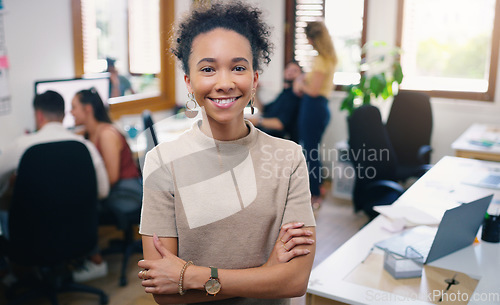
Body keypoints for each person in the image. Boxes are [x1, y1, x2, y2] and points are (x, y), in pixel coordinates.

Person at [137, 1, 316, 304]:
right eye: (208, 69)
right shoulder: (162, 162)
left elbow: (295, 281)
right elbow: (165, 296)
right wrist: (268, 272)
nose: (224, 82)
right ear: (189, 83)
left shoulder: (289, 158)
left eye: (238, 67)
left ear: (254, 79)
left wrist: (190, 276)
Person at [0, 90, 109, 239]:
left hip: (32, 240)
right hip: (78, 237)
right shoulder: (85, 146)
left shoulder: (21, 145)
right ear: (63, 115)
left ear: (39, 115)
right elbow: (103, 191)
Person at [70, 88, 142, 280]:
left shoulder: (107, 134)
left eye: (74, 107)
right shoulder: (86, 134)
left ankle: (96, 261)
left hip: (127, 191)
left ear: (87, 109)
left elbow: (111, 177)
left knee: (81, 205)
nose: (71, 113)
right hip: (113, 189)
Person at [293, 21, 338, 210]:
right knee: (312, 151)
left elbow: (313, 90)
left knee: (310, 152)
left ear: (312, 39)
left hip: (314, 107)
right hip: (318, 107)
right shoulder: (329, 58)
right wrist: (304, 78)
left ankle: (315, 194)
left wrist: (299, 83)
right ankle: (317, 189)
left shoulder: (321, 60)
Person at [248, 61, 303, 143]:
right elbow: (263, 110)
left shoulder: (294, 97)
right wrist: (255, 92)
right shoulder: (284, 93)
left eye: (295, 70)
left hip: (282, 141)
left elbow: (280, 124)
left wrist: (257, 121)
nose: (290, 72)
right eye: (288, 69)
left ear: (300, 76)